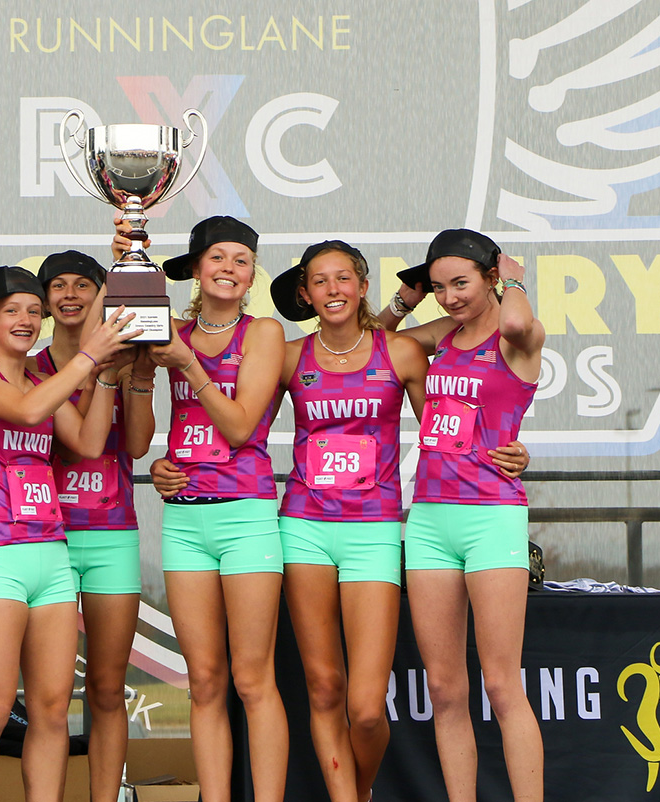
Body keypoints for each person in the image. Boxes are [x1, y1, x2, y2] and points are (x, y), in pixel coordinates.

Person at [269, 241, 530, 802]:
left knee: (378, 707)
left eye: (344, 278)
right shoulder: (296, 356)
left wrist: (511, 278)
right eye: (320, 280)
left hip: (406, 523)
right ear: (304, 292)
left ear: (363, 285)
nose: (333, 289)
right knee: (354, 689)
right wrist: (402, 304)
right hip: (324, 521)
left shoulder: (433, 348)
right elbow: (242, 422)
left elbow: (415, 377)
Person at [0, 266, 138, 802]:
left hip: (51, 555)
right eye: (11, 310)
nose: (26, 320)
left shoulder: (39, 383)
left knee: (52, 710)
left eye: (34, 311)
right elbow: (28, 412)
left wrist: (105, 378)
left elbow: (89, 444)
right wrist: (91, 355)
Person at [130, 216, 290, 802]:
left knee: (252, 679)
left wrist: (188, 364)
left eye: (241, 260)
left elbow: (242, 427)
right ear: (196, 269)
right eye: (217, 257)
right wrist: (158, 460)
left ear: (251, 274)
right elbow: (139, 437)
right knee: (202, 680)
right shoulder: (169, 332)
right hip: (185, 519)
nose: (229, 269)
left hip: (246, 516)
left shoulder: (263, 333)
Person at [383, 229, 545, 802]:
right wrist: (405, 299)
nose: (449, 298)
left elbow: (518, 323)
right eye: (439, 287)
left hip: (491, 517)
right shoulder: (442, 335)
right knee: (445, 691)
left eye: (461, 284)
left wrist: (515, 278)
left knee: (501, 685)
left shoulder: (517, 336)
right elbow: (377, 343)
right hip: (430, 518)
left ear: (490, 277)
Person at [29, 251, 153, 802]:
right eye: (58, 286)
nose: (71, 295)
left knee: (106, 688)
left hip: (111, 536)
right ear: (43, 300)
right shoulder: (29, 367)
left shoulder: (124, 361)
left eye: (84, 285)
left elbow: (138, 444)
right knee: (49, 696)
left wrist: (138, 378)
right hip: (45, 539)